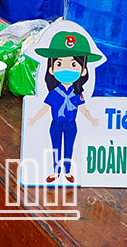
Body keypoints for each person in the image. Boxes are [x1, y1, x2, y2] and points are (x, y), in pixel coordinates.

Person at [26, 30, 102, 183]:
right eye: (59, 63)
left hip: (71, 124)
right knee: (55, 148)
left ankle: (67, 171)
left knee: (69, 147)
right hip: (55, 123)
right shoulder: (54, 93)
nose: (66, 69)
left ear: (83, 71)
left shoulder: (77, 94)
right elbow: (45, 107)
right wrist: (34, 118)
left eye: (74, 64)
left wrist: (91, 119)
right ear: (51, 69)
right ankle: (55, 171)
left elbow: (83, 108)